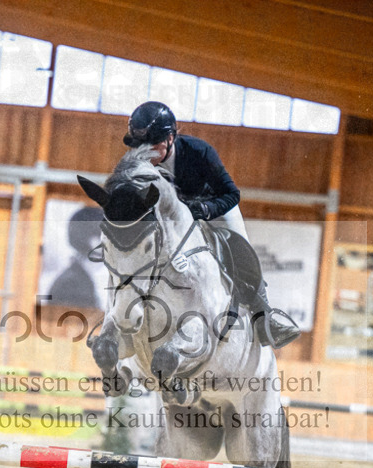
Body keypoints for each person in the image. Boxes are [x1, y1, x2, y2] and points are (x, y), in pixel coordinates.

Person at [122, 101, 300, 348]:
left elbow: (231, 194)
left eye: (152, 147)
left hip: (215, 210)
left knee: (241, 249)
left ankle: (264, 316)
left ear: (171, 137)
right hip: (175, 222)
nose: (146, 154)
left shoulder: (199, 152)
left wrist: (205, 209)